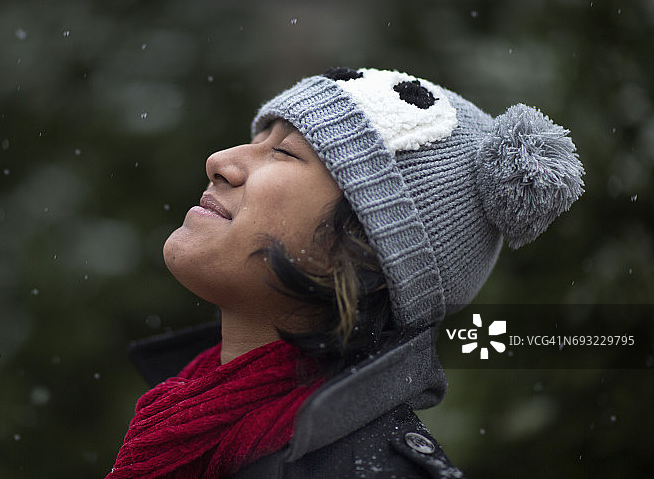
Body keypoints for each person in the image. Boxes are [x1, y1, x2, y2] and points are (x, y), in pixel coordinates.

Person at [105, 67, 585, 478]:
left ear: (365, 254)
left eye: (286, 153)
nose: (221, 162)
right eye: (257, 140)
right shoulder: (183, 418)